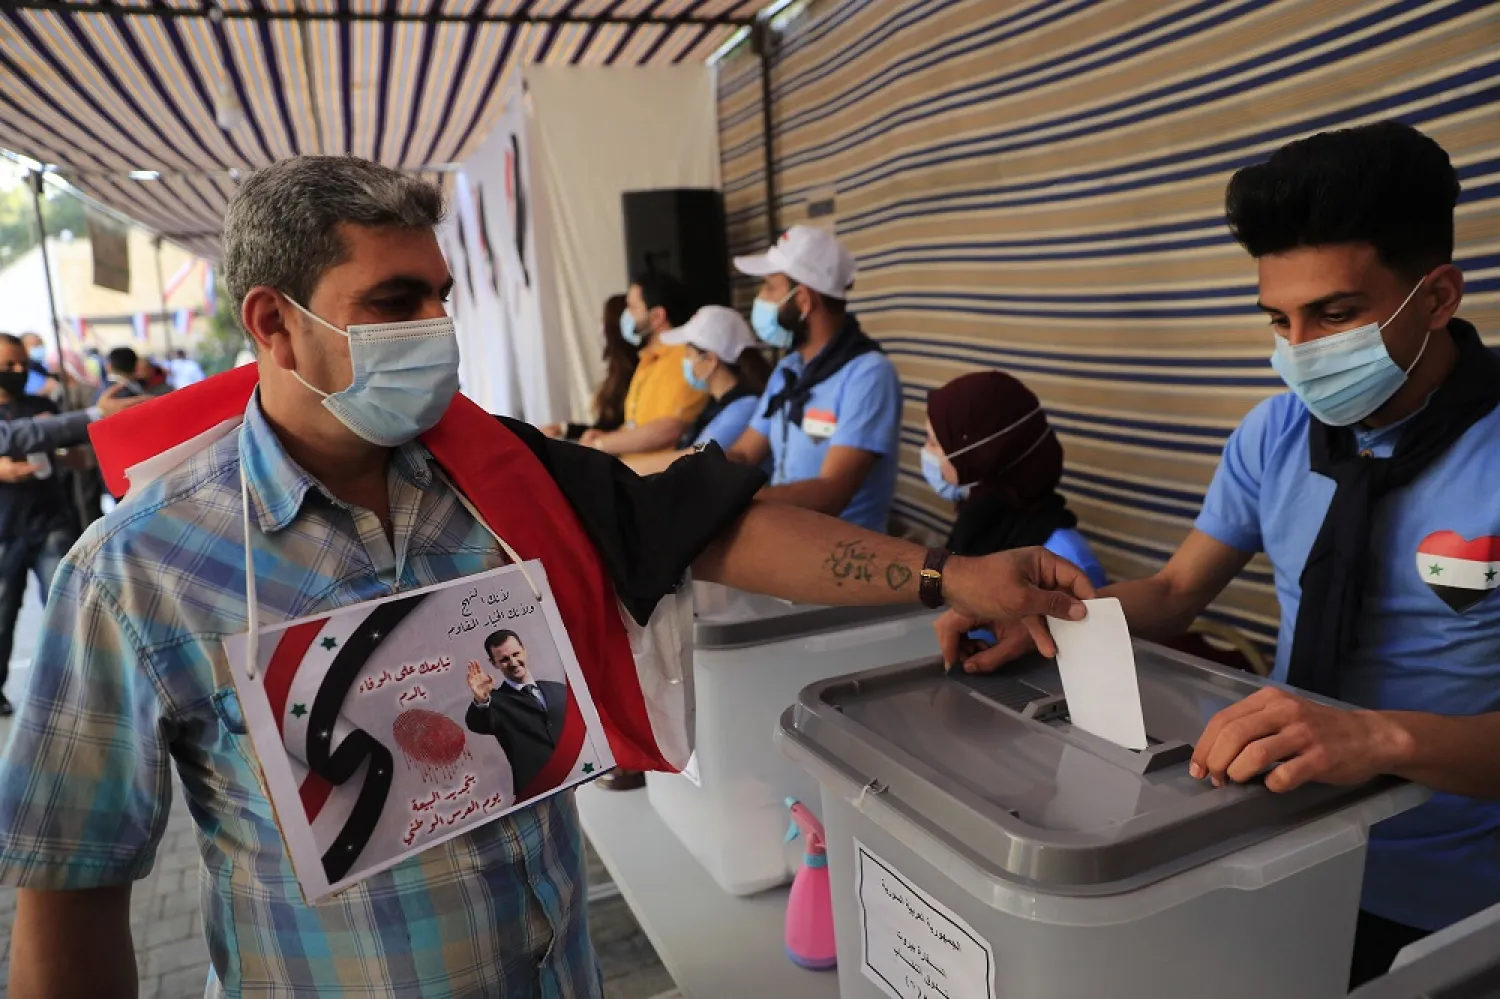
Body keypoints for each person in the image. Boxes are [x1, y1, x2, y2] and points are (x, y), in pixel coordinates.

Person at [0, 155, 1094, 998]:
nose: (437, 328)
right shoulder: (139, 573)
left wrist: (952, 577)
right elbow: (75, 882)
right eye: (394, 302)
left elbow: (714, 528)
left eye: (441, 293)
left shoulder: (500, 475)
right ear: (275, 323)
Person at [935, 121, 1500, 989]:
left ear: (1436, 298)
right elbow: (1174, 588)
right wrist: (1047, 617)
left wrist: (1374, 736)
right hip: (1277, 847)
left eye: (1336, 313)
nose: (1302, 351)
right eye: (1280, 319)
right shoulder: (1274, 434)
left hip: (1456, 897)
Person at [726, 225, 903, 532]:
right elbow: (744, 453)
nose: (760, 299)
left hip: (841, 559)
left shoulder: (869, 375)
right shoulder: (790, 370)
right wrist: (696, 477)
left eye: (770, 287)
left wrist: (734, 503)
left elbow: (831, 492)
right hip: (786, 537)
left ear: (804, 300)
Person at [924, 371, 1106, 587]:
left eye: (934, 443)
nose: (926, 452)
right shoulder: (977, 520)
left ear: (979, 457)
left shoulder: (1066, 562)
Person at [0, 335, 81, 717]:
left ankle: (76, 686)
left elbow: (71, 453)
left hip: (51, 521)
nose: (18, 371)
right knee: (3, 615)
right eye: (8, 365)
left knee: (67, 609)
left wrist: (70, 454)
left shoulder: (43, 407)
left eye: (21, 363)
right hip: (5, 530)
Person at [624, 305, 772, 477]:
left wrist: (618, 469)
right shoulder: (716, 405)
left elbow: (694, 460)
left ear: (710, 360)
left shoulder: (745, 407)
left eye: (688, 353)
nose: (684, 360)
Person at [580, 273, 708, 456]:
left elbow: (669, 428)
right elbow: (636, 423)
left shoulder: (683, 357)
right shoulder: (648, 358)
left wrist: (602, 443)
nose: (626, 316)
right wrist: (610, 436)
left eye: (632, 307)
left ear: (657, 316)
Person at [465, 629, 567, 794]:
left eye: (516, 654)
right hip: (537, 792)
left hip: (579, 775)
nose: (513, 662)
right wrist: (481, 699)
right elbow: (476, 723)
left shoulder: (558, 689)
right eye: (504, 659)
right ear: (494, 663)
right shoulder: (495, 703)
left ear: (524, 650)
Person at [542, 294, 636, 441]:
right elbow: (604, 426)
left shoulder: (632, 372)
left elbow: (612, 429)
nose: (600, 330)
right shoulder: (618, 372)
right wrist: (564, 428)